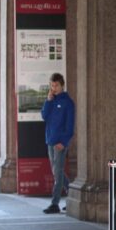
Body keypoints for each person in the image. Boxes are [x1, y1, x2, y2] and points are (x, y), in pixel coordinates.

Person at [41, 73, 75, 214]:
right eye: (52, 85)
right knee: (57, 172)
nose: (53, 88)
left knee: (58, 171)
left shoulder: (68, 102)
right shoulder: (51, 100)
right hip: (50, 140)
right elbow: (44, 116)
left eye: (56, 85)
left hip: (60, 143)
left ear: (62, 85)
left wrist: (64, 141)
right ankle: (72, 194)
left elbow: (70, 125)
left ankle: (55, 203)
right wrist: (48, 101)